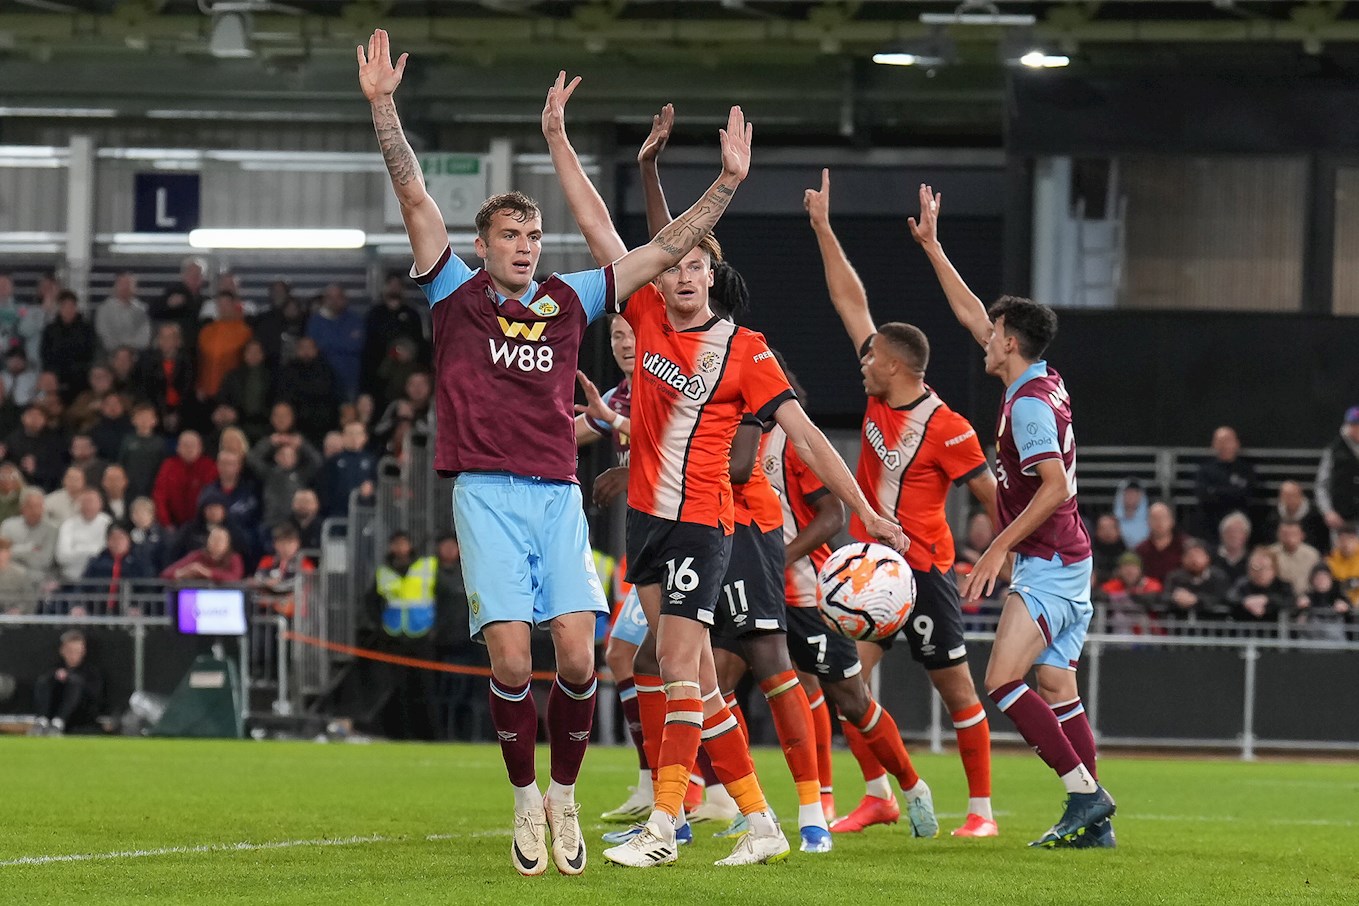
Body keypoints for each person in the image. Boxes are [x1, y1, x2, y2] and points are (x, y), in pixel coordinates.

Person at [363, 41, 767, 874]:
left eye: (534, 234)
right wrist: (382, 107)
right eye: (510, 234)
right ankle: (522, 800)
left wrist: (725, 186)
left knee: (580, 658)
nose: (525, 245)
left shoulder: (567, 297)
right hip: (483, 494)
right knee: (513, 659)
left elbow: (661, 253)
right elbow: (411, 192)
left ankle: (566, 799)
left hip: (555, 495)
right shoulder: (453, 291)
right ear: (483, 243)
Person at [545, 77, 904, 869]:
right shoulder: (638, 310)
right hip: (645, 518)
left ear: (712, 277)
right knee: (698, 686)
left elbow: (806, 436)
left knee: (676, 668)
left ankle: (664, 825)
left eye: (696, 267)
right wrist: (557, 140)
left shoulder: (745, 350)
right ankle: (761, 822)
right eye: (675, 264)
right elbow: (595, 222)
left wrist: (864, 511)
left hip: (704, 523)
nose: (680, 276)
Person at [911, 182, 1115, 848]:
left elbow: (1052, 487)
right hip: (1067, 555)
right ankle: (1094, 822)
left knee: (1000, 680)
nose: (983, 337)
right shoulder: (1040, 377)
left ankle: (1085, 798)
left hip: (1047, 559)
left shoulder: (1026, 406)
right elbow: (973, 312)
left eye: (992, 333)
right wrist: (934, 248)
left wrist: (998, 546)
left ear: (1009, 342)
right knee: (1055, 682)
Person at [805, 169, 998, 839]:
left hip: (924, 573)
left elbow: (989, 493)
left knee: (955, 691)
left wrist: (999, 552)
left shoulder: (946, 426)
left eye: (870, 359)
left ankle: (980, 814)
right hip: (866, 571)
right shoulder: (877, 394)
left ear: (894, 364)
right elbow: (848, 301)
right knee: (844, 682)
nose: (861, 363)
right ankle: (880, 793)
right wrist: (824, 230)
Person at [760, 355, 942, 847]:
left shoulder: (790, 444)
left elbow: (830, 517)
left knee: (852, 700)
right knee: (722, 676)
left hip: (810, 595)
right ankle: (747, 806)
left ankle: (911, 786)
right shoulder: (730, 440)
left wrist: (777, 558)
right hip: (758, 592)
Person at [572, 314, 652, 822]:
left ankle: (698, 795)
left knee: (696, 671)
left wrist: (630, 468)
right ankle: (659, 785)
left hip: (685, 539)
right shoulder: (621, 396)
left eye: (632, 334)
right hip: (648, 546)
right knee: (623, 654)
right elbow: (572, 431)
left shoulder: (667, 385)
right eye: (616, 336)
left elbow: (680, 448)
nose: (624, 343)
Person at [367, 530, 438, 740]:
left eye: (403, 543)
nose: (400, 548)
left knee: (425, 689)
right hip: (395, 635)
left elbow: (442, 597)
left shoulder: (427, 566)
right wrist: (379, 624)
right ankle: (400, 734)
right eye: (396, 544)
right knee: (398, 690)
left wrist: (437, 627)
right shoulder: (384, 571)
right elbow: (371, 600)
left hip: (422, 634)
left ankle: (430, 735)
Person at [32, 630, 104, 735]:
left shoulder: (92, 673)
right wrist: (55, 677)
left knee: (75, 683)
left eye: (77, 651)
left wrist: (70, 678)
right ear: (62, 650)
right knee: (45, 681)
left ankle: (58, 723)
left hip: (81, 717)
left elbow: (95, 696)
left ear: (83, 651)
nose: (73, 655)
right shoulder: (53, 669)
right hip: (53, 713)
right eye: (70, 651)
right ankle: (42, 722)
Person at [307, 284, 366, 404]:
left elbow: (356, 345)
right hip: (322, 381)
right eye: (330, 297)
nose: (334, 301)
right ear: (324, 300)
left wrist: (327, 343)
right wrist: (343, 341)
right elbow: (312, 348)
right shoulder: (315, 321)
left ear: (344, 299)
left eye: (338, 297)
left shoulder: (355, 319)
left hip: (349, 380)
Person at [1194, 426, 1255, 541]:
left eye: (1228, 441)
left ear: (1237, 444)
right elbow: (1203, 497)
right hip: (1210, 527)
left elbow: (1247, 496)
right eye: (1220, 441)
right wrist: (1232, 491)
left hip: (1239, 526)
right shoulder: (1204, 471)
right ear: (1213, 445)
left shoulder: (1246, 470)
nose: (1224, 446)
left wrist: (1215, 491)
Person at [82, 523, 156, 615]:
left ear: (128, 539)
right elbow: (82, 586)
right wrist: (78, 606)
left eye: (120, 538)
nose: (117, 542)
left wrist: (139, 607)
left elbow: (148, 588)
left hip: (130, 613)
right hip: (98, 613)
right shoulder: (97, 562)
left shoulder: (140, 562)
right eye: (113, 538)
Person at [135, 323, 194, 434]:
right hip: (156, 410)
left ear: (178, 341)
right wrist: (163, 414)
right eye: (162, 337)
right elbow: (147, 390)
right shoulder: (148, 362)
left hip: (183, 411)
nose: (166, 340)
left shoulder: (188, 362)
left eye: (170, 337)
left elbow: (188, 391)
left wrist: (177, 413)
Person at [152, 431, 218, 529]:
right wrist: (166, 524)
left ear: (201, 448)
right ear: (178, 448)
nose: (189, 449)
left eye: (193, 445)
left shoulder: (209, 466)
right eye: (185, 445)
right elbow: (159, 496)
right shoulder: (169, 465)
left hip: (202, 525)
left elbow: (212, 499)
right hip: (173, 525)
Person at [40, 291, 97, 404]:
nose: (68, 309)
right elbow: (45, 354)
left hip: (81, 377)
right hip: (56, 377)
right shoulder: (50, 330)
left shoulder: (87, 329)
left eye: (71, 306)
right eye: (64, 306)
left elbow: (91, 353)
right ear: (59, 308)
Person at [1160, 539, 1230, 625]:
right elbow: (1164, 597)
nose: (1194, 560)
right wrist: (1175, 598)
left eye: (1198, 555)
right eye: (1189, 555)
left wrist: (1196, 600)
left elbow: (1222, 598)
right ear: (1183, 559)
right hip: (1180, 629)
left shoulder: (1218, 577)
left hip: (1211, 627)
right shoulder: (1174, 578)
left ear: (1207, 558)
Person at [1315, 406, 1359, 534]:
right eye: (1354, 424)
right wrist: (1328, 511)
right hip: (1341, 519)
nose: (1357, 428)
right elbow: (1321, 485)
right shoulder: (1334, 451)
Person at [55, 489, 114, 584]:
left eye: (92, 502)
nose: (88, 506)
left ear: (100, 504)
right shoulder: (68, 524)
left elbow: (108, 554)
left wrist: (78, 549)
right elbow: (61, 557)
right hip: (70, 579)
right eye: (85, 502)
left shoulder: (108, 524)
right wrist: (93, 552)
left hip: (101, 580)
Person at [320, 421, 376, 519]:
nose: (354, 437)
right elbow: (325, 487)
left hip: (364, 513)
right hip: (338, 513)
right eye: (350, 433)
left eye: (358, 433)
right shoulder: (334, 461)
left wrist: (371, 487)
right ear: (343, 437)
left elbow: (377, 481)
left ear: (365, 437)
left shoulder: (371, 460)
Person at [1097, 551, 1163, 634]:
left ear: (1140, 570)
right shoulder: (1113, 585)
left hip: (1148, 635)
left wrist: (1132, 595)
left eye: (1133, 567)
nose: (1129, 571)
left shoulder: (1151, 585)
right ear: (1119, 570)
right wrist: (1128, 595)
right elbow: (1100, 595)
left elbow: (1155, 597)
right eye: (1125, 567)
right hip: (1118, 637)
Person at [1, 487, 57, 580]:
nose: (35, 511)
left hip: (39, 578)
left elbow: (45, 561)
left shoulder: (52, 529)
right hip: (10, 577)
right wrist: (30, 549)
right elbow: (3, 555)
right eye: (31, 506)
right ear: (22, 508)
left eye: (39, 506)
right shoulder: (8, 525)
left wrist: (14, 551)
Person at [1226, 547, 1291, 625]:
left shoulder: (1283, 586)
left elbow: (1290, 602)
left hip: (1276, 632)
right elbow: (1230, 598)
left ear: (1274, 570)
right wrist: (1246, 602)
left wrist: (1266, 600)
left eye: (1265, 568)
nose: (1260, 572)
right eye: (1255, 568)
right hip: (1245, 631)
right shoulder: (1242, 584)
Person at [160, 525, 244, 584]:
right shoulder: (197, 555)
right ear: (208, 541)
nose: (216, 543)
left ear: (227, 544)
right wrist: (182, 573)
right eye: (213, 539)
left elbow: (235, 578)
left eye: (220, 540)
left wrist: (207, 572)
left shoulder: (234, 558)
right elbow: (166, 574)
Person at [94, 271, 151, 355]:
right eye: (122, 283)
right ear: (115, 286)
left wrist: (128, 350)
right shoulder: (103, 309)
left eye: (129, 284)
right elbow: (104, 335)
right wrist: (121, 352)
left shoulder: (142, 309)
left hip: (136, 356)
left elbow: (144, 337)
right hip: (110, 355)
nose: (125, 287)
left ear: (135, 287)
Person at [1264, 480, 1330, 552]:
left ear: (1300, 495)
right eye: (1285, 495)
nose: (1289, 499)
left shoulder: (1315, 516)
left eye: (1292, 495)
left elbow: (1323, 542)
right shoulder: (1273, 516)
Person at [118, 404, 167, 500]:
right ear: (133, 420)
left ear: (155, 421)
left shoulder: (159, 443)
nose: (144, 420)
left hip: (152, 488)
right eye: (140, 417)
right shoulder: (127, 440)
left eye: (148, 417)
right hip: (130, 488)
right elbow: (121, 463)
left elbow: (163, 468)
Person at [1292, 564, 1350, 641]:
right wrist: (1299, 608)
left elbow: (1352, 618)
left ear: (1331, 579)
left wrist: (1346, 608)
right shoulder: (1307, 597)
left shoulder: (1340, 597)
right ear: (1312, 580)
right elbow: (1292, 618)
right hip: (1310, 643)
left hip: (1335, 644)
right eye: (1318, 578)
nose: (1321, 581)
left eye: (1324, 577)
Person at [1134, 502, 1186, 585]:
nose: (1159, 522)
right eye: (1154, 518)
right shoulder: (1140, 550)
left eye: (1163, 517)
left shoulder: (1185, 546)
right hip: (1149, 594)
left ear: (1172, 521)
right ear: (1147, 522)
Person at [1267, 520, 1321, 596]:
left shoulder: (1312, 554)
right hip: (1278, 596)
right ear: (1278, 535)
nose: (1289, 538)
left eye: (1293, 534)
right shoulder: (1270, 553)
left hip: (1307, 597)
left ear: (1302, 535)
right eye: (1285, 534)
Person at [0, 536, 38, 614]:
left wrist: (19, 609)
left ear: (9, 552)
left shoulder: (20, 573)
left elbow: (29, 598)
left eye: (2, 551)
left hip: (13, 617)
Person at [1325, 522, 1359, 608]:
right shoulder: (1330, 560)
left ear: (1356, 539)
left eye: (1350, 539)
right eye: (1342, 540)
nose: (1346, 544)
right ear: (1337, 541)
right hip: (1338, 606)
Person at [1214, 510, 1253, 584]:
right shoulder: (1211, 557)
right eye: (1230, 531)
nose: (1234, 535)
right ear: (1222, 534)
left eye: (1239, 531)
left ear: (1246, 535)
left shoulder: (1252, 559)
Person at [1090, 513, 1128, 586]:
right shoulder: (1089, 553)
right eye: (1103, 528)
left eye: (1110, 528)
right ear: (1097, 531)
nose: (1107, 532)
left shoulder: (1125, 553)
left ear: (1118, 530)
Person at [1112, 478, 1149, 548]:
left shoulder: (1150, 522)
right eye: (1128, 493)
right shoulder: (1112, 522)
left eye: (1135, 493)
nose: (1131, 496)